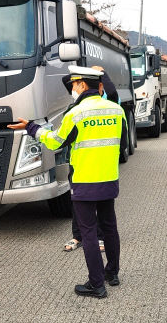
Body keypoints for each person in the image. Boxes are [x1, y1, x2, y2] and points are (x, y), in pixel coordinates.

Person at [8, 66, 126, 298]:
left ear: (82, 86)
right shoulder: (117, 110)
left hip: (84, 180)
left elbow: (55, 142)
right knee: (109, 227)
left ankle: (96, 285)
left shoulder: (76, 114)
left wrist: (31, 127)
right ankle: (111, 274)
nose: (72, 88)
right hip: (109, 178)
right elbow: (121, 145)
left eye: (73, 84)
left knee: (89, 232)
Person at [64, 65, 120, 253]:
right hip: (79, 164)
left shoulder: (110, 101)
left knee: (101, 207)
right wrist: (82, 74)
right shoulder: (77, 106)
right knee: (77, 202)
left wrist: (103, 73)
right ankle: (77, 235)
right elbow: (68, 81)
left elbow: (111, 90)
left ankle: (100, 237)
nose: (73, 88)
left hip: (100, 165)